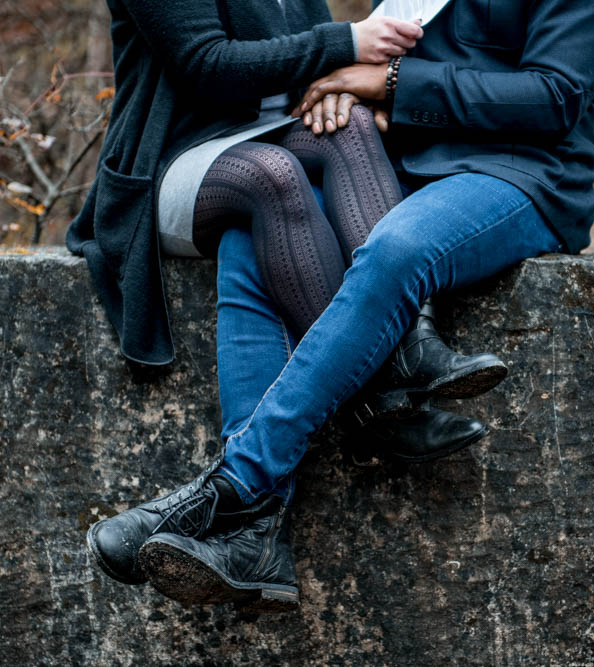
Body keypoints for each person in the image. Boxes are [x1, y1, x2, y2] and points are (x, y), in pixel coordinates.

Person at [71, 0, 515, 613]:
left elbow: (296, 57)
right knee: (276, 176)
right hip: (172, 165)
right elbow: (208, 66)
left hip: (268, 141)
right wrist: (346, 42)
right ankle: (381, 390)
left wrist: (330, 94)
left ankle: (408, 348)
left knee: (348, 132)